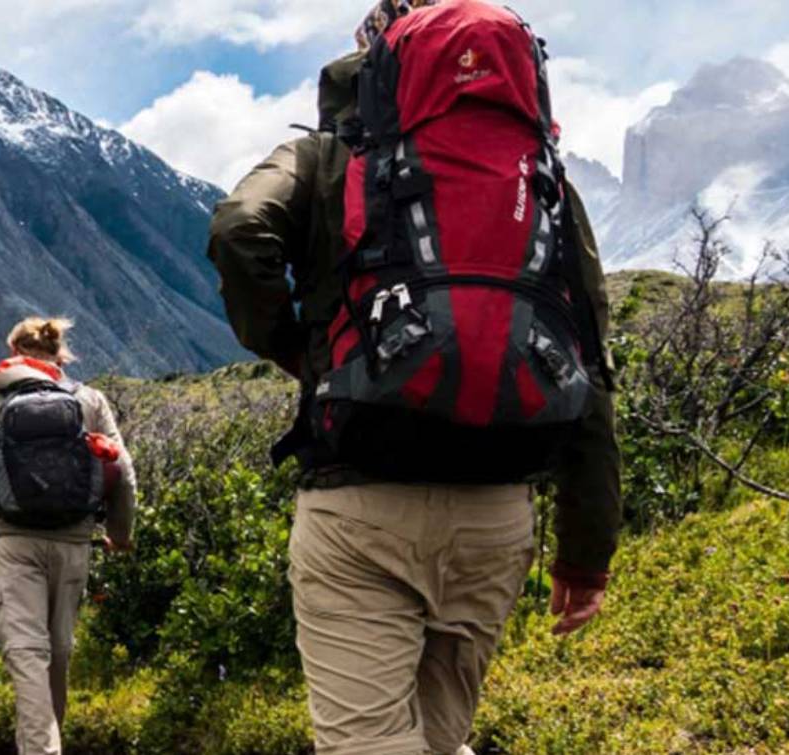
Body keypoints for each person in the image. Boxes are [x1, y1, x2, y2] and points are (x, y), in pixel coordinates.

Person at [208, 1, 622, 753]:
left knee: (369, 741)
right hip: (499, 514)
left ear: (377, 62)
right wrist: (586, 548)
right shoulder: (545, 181)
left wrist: (300, 350)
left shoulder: (330, 158)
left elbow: (239, 228)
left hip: (361, 501)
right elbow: (587, 356)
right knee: (439, 737)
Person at [0, 317, 138, 755]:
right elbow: (123, 475)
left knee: (27, 655)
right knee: (57, 657)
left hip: (12, 546)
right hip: (73, 546)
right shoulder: (89, 401)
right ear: (60, 356)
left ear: (13, 353)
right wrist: (120, 535)